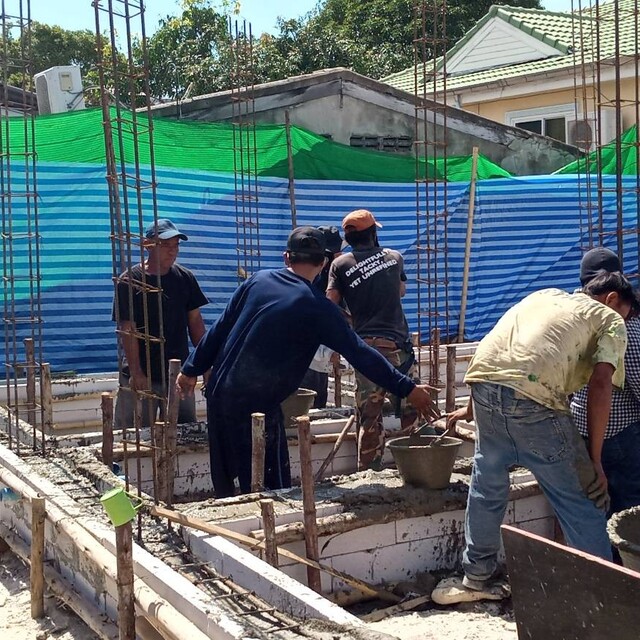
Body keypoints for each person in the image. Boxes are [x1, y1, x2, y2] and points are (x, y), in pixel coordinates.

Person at [176, 226, 438, 498]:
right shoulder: (317, 307)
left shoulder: (258, 281)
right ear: (323, 262)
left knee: (226, 489)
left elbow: (219, 329)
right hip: (257, 407)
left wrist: (190, 369)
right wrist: (407, 387)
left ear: (286, 257)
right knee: (271, 491)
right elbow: (361, 353)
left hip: (219, 393)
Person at [446, 273, 638, 593]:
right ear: (613, 299)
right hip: (534, 400)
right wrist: (594, 461)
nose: (626, 324)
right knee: (585, 497)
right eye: (626, 315)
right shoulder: (610, 318)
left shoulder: (545, 296)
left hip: (483, 385)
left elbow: (502, 352)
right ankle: (602, 592)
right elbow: (601, 383)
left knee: (487, 486)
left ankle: (476, 576)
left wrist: (470, 408)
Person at [326, 209, 419, 471]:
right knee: (411, 408)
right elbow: (400, 291)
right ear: (373, 233)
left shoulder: (340, 265)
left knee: (369, 417)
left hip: (367, 351)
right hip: (399, 348)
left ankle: (370, 476)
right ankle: (417, 467)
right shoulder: (394, 257)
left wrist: (350, 320)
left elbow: (329, 304)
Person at [114, 218, 208, 429]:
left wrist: (204, 364)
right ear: (147, 245)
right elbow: (127, 330)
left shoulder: (185, 278)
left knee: (184, 432)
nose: (172, 251)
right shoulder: (130, 280)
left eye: (175, 245)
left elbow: (196, 324)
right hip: (143, 373)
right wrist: (137, 372)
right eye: (165, 245)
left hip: (177, 375)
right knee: (135, 433)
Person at [570, 248, 640, 515]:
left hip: (579, 428)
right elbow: (635, 377)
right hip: (619, 433)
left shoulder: (571, 313)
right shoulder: (622, 318)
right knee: (629, 510)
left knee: (592, 505)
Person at [300, 225, 344, 408]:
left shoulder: (334, 273)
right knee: (306, 404)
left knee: (319, 403)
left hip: (321, 356)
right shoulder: (312, 279)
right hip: (308, 355)